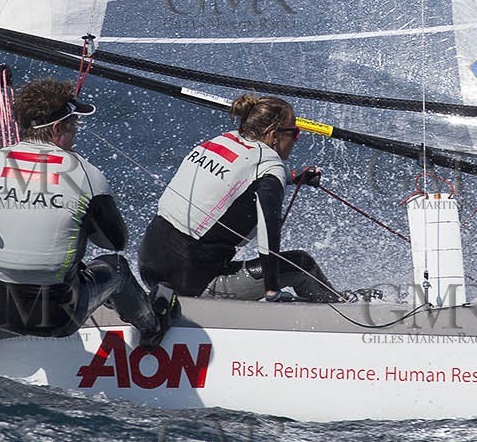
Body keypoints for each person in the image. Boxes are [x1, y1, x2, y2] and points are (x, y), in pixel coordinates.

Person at [0, 78, 169, 368]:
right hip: (58, 318)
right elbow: (115, 242)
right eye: (73, 126)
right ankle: (152, 329)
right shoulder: (86, 175)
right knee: (116, 267)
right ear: (57, 129)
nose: (75, 134)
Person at [139, 93, 340, 303]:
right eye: (294, 133)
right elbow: (268, 229)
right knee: (301, 264)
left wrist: (291, 178)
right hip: (191, 284)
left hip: (149, 267)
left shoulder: (223, 140)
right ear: (273, 135)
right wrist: (271, 289)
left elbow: (238, 178)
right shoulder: (271, 169)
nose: (296, 140)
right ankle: (344, 309)